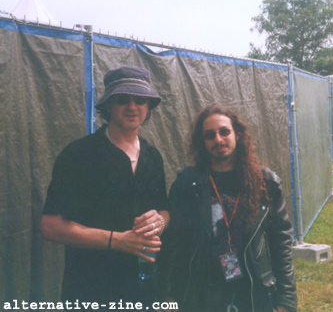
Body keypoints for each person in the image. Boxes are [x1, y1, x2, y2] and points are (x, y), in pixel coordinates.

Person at [41, 65, 170, 308]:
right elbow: (50, 226)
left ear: (148, 106)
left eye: (140, 99)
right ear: (108, 104)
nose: (132, 106)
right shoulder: (78, 154)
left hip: (143, 290)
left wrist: (160, 222)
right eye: (123, 99)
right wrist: (116, 240)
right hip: (91, 290)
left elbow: (164, 209)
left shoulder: (153, 156)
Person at [160, 103, 297, 312]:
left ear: (237, 135)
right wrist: (168, 295)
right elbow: (172, 243)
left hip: (253, 293)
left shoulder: (266, 184)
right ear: (202, 142)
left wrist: (285, 301)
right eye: (210, 135)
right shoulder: (187, 184)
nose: (218, 139)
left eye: (224, 131)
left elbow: (281, 245)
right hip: (201, 294)